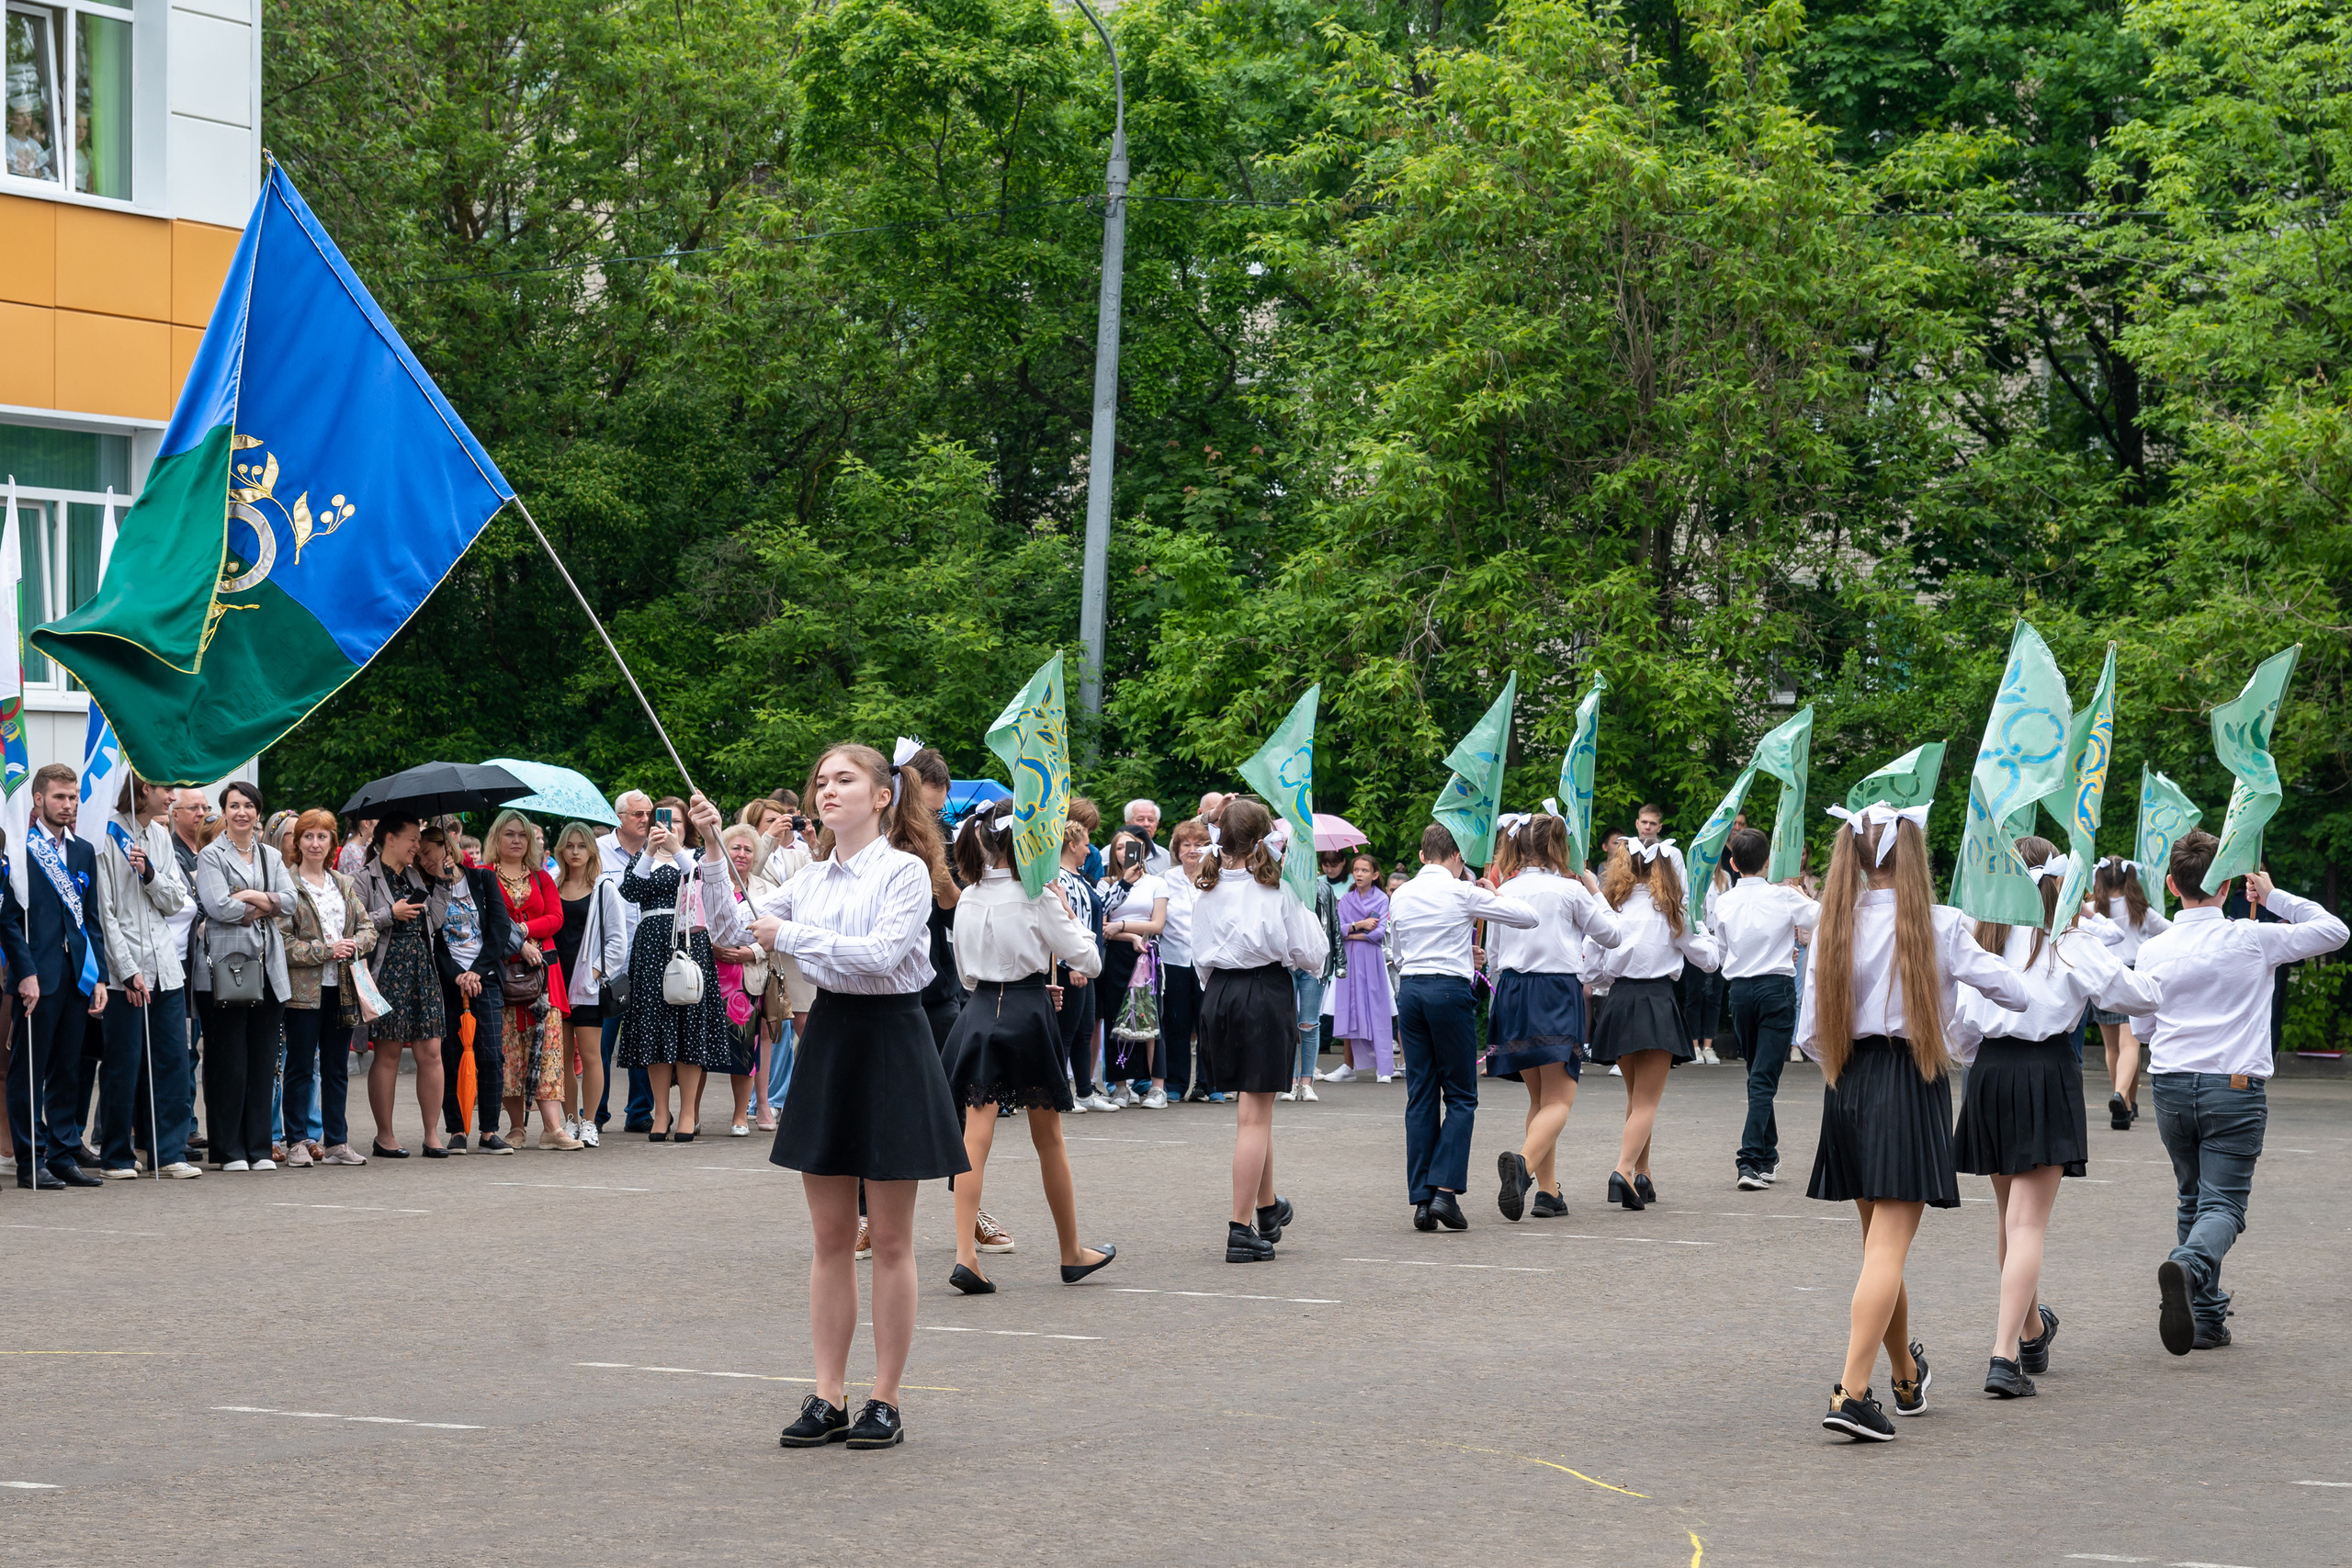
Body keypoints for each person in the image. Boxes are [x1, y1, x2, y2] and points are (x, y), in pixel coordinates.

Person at [711, 749, 967, 1452]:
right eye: (820, 781)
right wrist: (711, 849)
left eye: (843, 779)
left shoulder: (906, 870)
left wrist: (787, 935)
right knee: (829, 1238)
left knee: (888, 1238)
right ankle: (828, 1393)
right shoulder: (809, 874)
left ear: (883, 795)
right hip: (828, 1036)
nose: (827, 790)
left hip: (891, 1040)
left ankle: (884, 1397)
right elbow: (734, 933)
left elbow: (883, 954)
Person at [1800, 802, 2030, 1442]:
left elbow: (1811, 1033)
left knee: (1880, 1249)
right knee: (1884, 1253)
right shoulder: (1942, 924)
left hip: (1847, 1084)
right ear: (1912, 856)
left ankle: (1904, 1374)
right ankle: (1850, 1391)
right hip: (1908, 1081)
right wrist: (1957, 1025)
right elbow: (2016, 993)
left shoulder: (1831, 923)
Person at [1952, 838, 2161, 1397]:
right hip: (2045, 1072)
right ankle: (2004, 1356)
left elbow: (1960, 1028)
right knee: (2025, 1225)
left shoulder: (1986, 940)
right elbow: (2138, 995)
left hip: (1989, 1075)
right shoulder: (2071, 943)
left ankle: (2032, 1330)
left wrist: (1980, 1063)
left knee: (2008, 1220)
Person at [2134, 830, 2346, 1357]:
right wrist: (2274, 897)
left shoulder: (2153, 948)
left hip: (2171, 1085)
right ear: (2227, 884)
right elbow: (2334, 930)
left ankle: (2205, 1318)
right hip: (2233, 1087)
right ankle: (2189, 1266)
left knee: (2194, 1199)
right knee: (2224, 1205)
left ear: (2170, 883)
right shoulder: (2252, 938)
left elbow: (2141, 1029)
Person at [933, 800, 1114, 1292]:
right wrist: (1063, 905)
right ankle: (1071, 1251)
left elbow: (968, 971)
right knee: (1049, 1139)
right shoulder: (1040, 896)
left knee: (976, 1136)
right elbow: (1090, 961)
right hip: (1029, 1012)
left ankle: (966, 1255)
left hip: (980, 1009)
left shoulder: (969, 895)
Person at [1192, 797, 1327, 1261]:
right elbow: (1312, 955)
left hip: (1219, 996)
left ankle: (1267, 1208)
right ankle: (1239, 1227)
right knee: (1254, 1117)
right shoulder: (1278, 890)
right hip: (1262, 994)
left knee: (1257, 1105)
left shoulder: (1204, 888)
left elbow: (1199, 958)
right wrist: (1303, 904)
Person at [1389, 822, 1537, 1231]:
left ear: (1422, 856)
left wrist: (1454, 953)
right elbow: (1527, 917)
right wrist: (1492, 891)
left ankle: (1421, 1199)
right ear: (1457, 856)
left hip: (1413, 989)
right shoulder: (1461, 890)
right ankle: (1444, 1193)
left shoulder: (1400, 894)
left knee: (1420, 1095)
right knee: (1460, 1096)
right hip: (1448, 992)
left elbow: (1398, 952)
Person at [1487, 815, 1620, 1221]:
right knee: (1561, 1099)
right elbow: (1612, 935)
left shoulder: (1505, 889)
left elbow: (1493, 950)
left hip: (1511, 990)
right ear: (1557, 847)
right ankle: (1524, 1166)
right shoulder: (1569, 890)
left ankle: (1548, 1192)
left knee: (1540, 1099)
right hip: (1554, 990)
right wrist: (1595, 891)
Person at [1584, 835, 1720, 1210]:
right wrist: (1703, 928)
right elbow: (1708, 961)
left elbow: (1592, 969)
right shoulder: (1671, 908)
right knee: (1646, 1102)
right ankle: (1623, 1170)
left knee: (1635, 1098)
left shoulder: (1612, 906)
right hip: (1657, 1001)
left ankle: (1643, 1174)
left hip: (1620, 1000)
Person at [89, 773, 192, 1179]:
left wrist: (149, 873)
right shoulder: (106, 835)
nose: (173, 797)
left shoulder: (159, 836)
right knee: (123, 1064)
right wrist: (127, 971)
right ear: (145, 789)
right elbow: (105, 911)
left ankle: (169, 1153)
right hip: (126, 973)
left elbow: (174, 901)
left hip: (166, 969)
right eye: (168, 790)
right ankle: (116, 1153)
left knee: (172, 1062)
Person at [1708, 827, 1821, 1190]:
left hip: (1740, 990)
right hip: (1775, 988)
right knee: (1762, 1077)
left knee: (1758, 1073)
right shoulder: (1784, 897)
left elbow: (1721, 951)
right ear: (1768, 861)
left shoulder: (1725, 901)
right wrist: (1798, 892)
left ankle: (1767, 1154)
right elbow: (1822, 916)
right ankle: (1749, 1160)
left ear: (1735, 864)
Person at [6, 765, 101, 1188]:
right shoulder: (20, 850)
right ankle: (30, 1161)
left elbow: (91, 920)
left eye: (73, 797)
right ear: (39, 799)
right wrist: (24, 972)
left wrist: (98, 976)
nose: (69, 805)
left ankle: (63, 1153)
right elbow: (7, 920)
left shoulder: (83, 851)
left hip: (76, 976)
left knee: (69, 1068)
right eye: (60, 797)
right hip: (36, 977)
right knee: (30, 1068)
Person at [192, 781, 294, 1172]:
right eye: (234, 805)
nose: (241, 813)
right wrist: (265, 901)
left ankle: (259, 1146)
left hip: (270, 970)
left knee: (263, 1061)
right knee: (229, 1060)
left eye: (248, 806)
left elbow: (292, 901)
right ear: (224, 811)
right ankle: (228, 1148)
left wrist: (249, 896)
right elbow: (218, 907)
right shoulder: (210, 855)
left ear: (258, 812)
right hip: (227, 969)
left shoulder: (270, 855)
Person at [616, 797, 732, 1141]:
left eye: (678, 822)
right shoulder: (643, 858)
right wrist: (651, 851)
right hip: (651, 944)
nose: (670, 828)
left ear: (689, 826)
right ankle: (661, 1112)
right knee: (655, 1027)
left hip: (689, 941)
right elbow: (630, 891)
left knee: (689, 1026)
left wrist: (676, 848)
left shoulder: (697, 856)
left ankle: (689, 1113)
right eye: (664, 822)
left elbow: (700, 882)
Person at [279, 808, 378, 1168]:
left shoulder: (343, 884)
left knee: (337, 1067)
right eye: (308, 836)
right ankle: (297, 1141)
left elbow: (369, 928)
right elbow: (282, 941)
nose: (315, 843)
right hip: (304, 991)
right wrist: (325, 950)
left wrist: (354, 943)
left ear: (333, 842)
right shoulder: (287, 886)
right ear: (297, 843)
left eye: (323, 837)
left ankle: (337, 1142)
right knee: (301, 1067)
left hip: (344, 988)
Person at [486, 809, 579, 1150]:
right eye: (509, 834)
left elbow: (556, 917)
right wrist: (519, 943)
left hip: (543, 977)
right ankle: (515, 1127)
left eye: (522, 835)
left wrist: (526, 929)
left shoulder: (541, 877)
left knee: (550, 1050)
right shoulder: (484, 876)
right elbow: (488, 921)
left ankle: (552, 1128)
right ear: (497, 838)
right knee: (509, 1051)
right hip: (504, 974)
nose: (516, 840)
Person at [355, 818, 448, 1157]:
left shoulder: (414, 875)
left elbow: (435, 921)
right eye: (411, 839)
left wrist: (441, 879)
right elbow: (355, 924)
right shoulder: (364, 878)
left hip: (422, 970)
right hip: (387, 971)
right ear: (390, 839)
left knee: (431, 1053)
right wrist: (389, 914)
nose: (416, 846)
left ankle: (432, 1135)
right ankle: (385, 1136)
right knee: (389, 1053)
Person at [422, 826, 513, 1155]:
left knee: (490, 1053)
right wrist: (459, 975)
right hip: (448, 981)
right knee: (449, 1054)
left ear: (446, 847)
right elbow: (431, 940)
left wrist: (477, 970)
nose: (424, 860)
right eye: (419, 855)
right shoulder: (426, 887)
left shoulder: (482, 879)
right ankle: (456, 1129)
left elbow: (500, 928)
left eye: (428, 852)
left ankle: (489, 1131)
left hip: (485, 977)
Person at [553, 821, 626, 1146]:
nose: (575, 852)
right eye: (569, 846)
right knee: (563, 1056)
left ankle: (590, 1121)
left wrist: (596, 973)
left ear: (591, 851)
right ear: (561, 850)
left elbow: (617, 942)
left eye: (581, 846)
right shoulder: (552, 886)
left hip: (587, 985)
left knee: (592, 1055)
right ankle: (568, 1121)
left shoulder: (604, 888)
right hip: (556, 981)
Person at [2091, 855, 2168, 1130]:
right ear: (2130, 878)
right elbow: (2171, 932)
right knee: (2131, 1044)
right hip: (2134, 975)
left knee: (2112, 1048)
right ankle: (2122, 1096)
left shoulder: (2092, 909)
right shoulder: (2140, 909)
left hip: (2103, 977)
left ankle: (2126, 1104)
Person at [596, 790, 657, 1132]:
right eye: (637, 814)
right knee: (601, 1044)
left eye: (648, 813)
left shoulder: (663, 853)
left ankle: (640, 1112)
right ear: (620, 817)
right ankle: (597, 1112)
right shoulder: (599, 852)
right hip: (609, 966)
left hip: (649, 962)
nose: (645, 819)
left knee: (645, 1040)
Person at [1093, 829, 1166, 1105]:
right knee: (1115, 1018)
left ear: (1143, 852)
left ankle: (1157, 1087)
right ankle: (1120, 1085)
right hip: (1117, 953)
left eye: (1131, 847)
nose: (1126, 852)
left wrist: (1122, 926)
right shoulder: (1105, 884)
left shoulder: (1156, 884)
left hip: (1147, 952)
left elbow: (1157, 924)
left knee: (1151, 1017)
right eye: (1120, 848)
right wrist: (1129, 934)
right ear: (1113, 854)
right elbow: (1102, 925)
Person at [712, 825, 772, 1136]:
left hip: (747, 979)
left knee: (745, 1049)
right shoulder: (709, 881)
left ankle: (739, 1116)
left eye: (748, 850)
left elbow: (773, 931)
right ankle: (691, 1114)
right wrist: (710, 947)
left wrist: (751, 951)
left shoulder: (765, 889)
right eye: (736, 848)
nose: (742, 854)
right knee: (701, 1049)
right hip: (711, 976)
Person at [1055, 821, 1109, 1112]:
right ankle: (1061, 1093)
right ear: (1072, 845)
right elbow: (1063, 923)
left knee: (1085, 1029)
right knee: (1067, 1031)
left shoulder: (1083, 878)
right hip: (1072, 965)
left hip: (1086, 963)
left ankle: (1085, 1091)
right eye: (1086, 843)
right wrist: (1073, 963)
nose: (1090, 849)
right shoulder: (1060, 879)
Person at [1328, 854, 1396, 1082]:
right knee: (1350, 1008)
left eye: (1364, 871)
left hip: (1372, 959)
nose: (1359, 874)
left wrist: (1352, 933)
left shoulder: (1381, 899)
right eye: (1356, 870)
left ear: (1375, 874)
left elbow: (1377, 934)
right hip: (1350, 959)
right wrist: (1360, 925)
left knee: (1377, 1006)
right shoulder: (1346, 900)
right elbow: (1338, 929)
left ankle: (1384, 1067)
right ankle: (1349, 1066)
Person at [1283, 841, 1342, 1102]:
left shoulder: (1323, 887)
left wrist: (1339, 963)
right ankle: (1289, 1081)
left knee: (1309, 1023)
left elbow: (1334, 926)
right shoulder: (1278, 887)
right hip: (1284, 962)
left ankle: (1306, 1081)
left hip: (1314, 963)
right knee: (1286, 1025)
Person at [1158, 819, 1211, 1102]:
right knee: (1176, 1024)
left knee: (1209, 1024)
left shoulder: (1218, 876)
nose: (1192, 850)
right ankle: (1175, 1083)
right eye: (1186, 845)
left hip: (1210, 961)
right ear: (1177, 850)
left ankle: (1208, 1084)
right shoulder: (1165, 878)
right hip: (1174, 959)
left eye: (1199, 845)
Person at [1123, 799, 1171, 874]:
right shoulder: (1109, 854)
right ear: (1128, 824)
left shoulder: (1166, 858)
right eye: (1140, 819)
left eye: (1151, 820)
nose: (1146, 824)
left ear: (1156, 825)